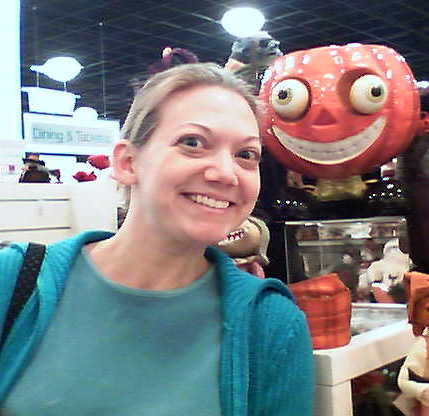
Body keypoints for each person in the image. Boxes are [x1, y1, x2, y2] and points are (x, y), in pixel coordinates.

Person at [0, 63, 314, 415]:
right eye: (192, 143)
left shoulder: (270, 324)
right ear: (127, 162)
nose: (226, 174)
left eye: (246, 155)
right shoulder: (15, 281)